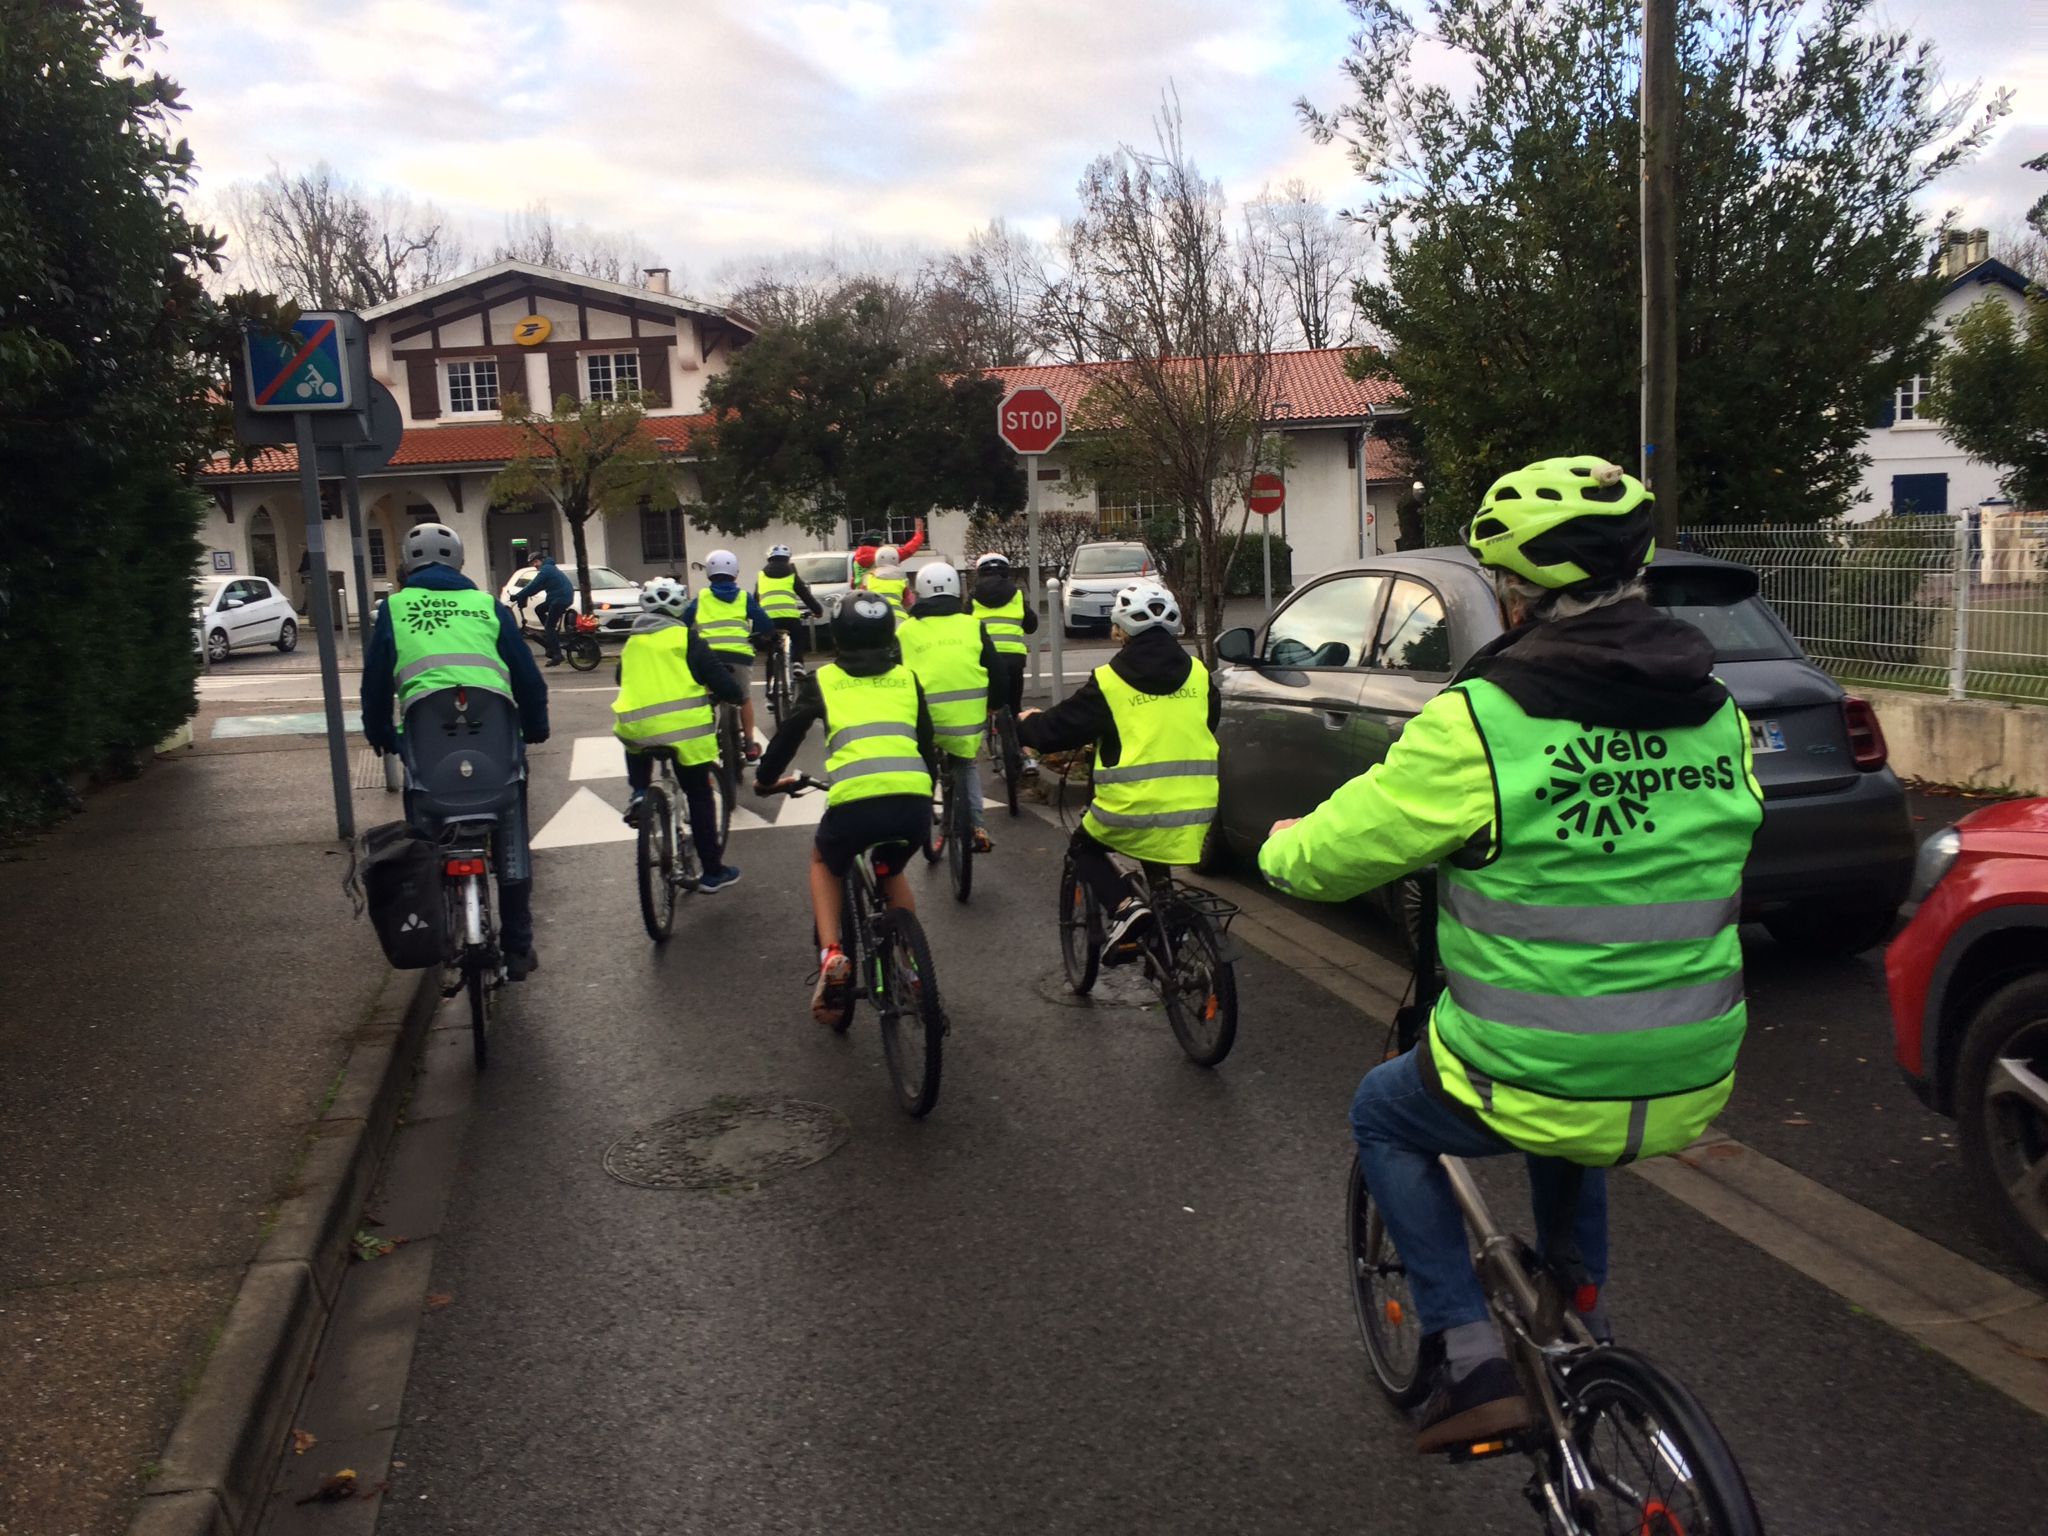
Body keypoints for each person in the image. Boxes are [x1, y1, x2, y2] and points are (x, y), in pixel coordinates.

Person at [1256, 456, 1764, 1454]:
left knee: (1385, 1115)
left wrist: (1276, 845)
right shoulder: (1716, 712)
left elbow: (1326, 859)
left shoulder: (1483, 720)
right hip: (1692, 1071)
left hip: (1531, 1063)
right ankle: (1581, 1311)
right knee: (1567, 1105)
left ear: (1519, 590)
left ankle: (1462, 1352)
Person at [362, 522, 549, 978]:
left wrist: (383, 735)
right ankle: (519, 947)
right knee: (511, 833)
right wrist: (536, 727)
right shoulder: (487, 606)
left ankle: (434, 930)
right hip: (495, 755)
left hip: (428, 760)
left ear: (406, 565)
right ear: (460, 563)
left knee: (423, 833)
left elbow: (374, 684)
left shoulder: (395, 609)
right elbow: (526, 676)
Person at [754, 593, 935, 1025]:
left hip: (855, 803)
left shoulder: (825, 681)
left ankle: (833, 952)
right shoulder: (908, 679)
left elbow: (788, 735)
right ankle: (911, 967)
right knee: (891, 868)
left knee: (824, 860)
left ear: (837, 635)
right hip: (913, 799)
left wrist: (764, 780)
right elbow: (926, 744)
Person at [1015, 580, 1219, 961]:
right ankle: (1166, 932)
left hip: (1132, 806)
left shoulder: (1110, 681)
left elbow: (1059, 728)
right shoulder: (1198, 674)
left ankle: (1126, 910)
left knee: (1083, 848)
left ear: (1119, 629)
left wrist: (1025, 724)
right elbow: (1210, 722)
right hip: (1198, 806)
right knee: (1155, 845)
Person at [614, 576, 746, 893]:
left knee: (634, 743)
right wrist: (736, 695)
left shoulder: (632, 642)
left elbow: (621, 678)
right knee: (698, 794)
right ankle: (713, 872)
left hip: (638, 727)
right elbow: (718, 678)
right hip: (686, 733)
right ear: (680, 609)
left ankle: (640, 793)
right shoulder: (687, 638)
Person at [897, 561, 1000, 853]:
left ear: (919, 595)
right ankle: (979, 827)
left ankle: (920, 819)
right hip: (967, 719)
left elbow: (895, 674)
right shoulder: (972, 625)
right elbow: (996, 670)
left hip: (926, 720)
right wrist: (994, 705)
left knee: (923, 764)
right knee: (966, 764)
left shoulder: (906, 631)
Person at [681, 549, 774, 761]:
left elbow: (684, 622)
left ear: (709, 575)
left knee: (706, 700)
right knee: (744, 698)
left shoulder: (701, 597)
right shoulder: (744, 597)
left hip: (708, 658)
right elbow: (765, 622)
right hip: (739, 656)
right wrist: (760, 636)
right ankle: (749, 742)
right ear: (735, 574)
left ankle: (706, 739)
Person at [966, 551, 1040, 773]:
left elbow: (963, 624)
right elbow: (1031, 625)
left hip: (984, 659)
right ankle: (1027, 758)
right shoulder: (1016, 595)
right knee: (1014, 707)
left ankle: (988, 729)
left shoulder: (973, 597)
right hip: (1013, 659)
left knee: (987, 701)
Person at [755, 542, 826, 669]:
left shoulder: (761, 575)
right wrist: (818, 610)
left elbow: (756, 599)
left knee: (769, 644)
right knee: (798, 638)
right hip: (790, 619)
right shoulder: (792, 574)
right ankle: (798, 664)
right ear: (788, 558)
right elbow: (805, 595)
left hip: (768, 619)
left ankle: (771, 679)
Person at [508, 548, 574, 666]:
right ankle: (551, 638)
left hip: (560, 599)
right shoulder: (549, 569)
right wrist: (524, 595)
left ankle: (558, 655)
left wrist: (518, 595)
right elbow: (538, 587)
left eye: (535, 563)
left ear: (541, 560)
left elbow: (533, 584)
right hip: (558, 598)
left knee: (549, 626)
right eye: (533, 564)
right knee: (539, 609)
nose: (535, 566)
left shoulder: (546, 570)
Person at [853, 519, 923, 577]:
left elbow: (854, 579)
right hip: (879, 590)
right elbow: (907, 551)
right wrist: (919, 534)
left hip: (861, 591)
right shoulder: (883, 555)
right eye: (883, 540)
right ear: (878, 541)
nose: (884, 542)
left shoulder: (857, 555)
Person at [861, 545, 911, 619]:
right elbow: (908, 602)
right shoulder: (903, 579)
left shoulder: (869, 577)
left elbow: (861, 599)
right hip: (899, 617)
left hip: (875, 616)